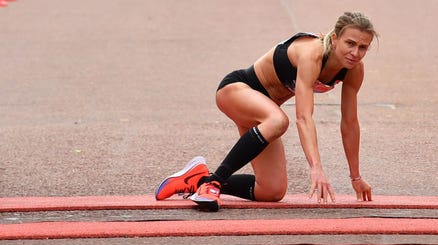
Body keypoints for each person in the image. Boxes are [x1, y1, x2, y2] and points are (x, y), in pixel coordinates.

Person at [155, 12, 378, 212]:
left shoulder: (354, 70)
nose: (355, 53)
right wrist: (316, 168)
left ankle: (197, 178)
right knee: (280, 120)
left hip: (264, 116)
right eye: (350, 43)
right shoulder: (312, 54)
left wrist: (355, 177)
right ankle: (211, 184)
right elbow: (303, 117)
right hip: (237, 90)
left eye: (363, 47)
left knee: (272, 191)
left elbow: (350, 123)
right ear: (335, 38)